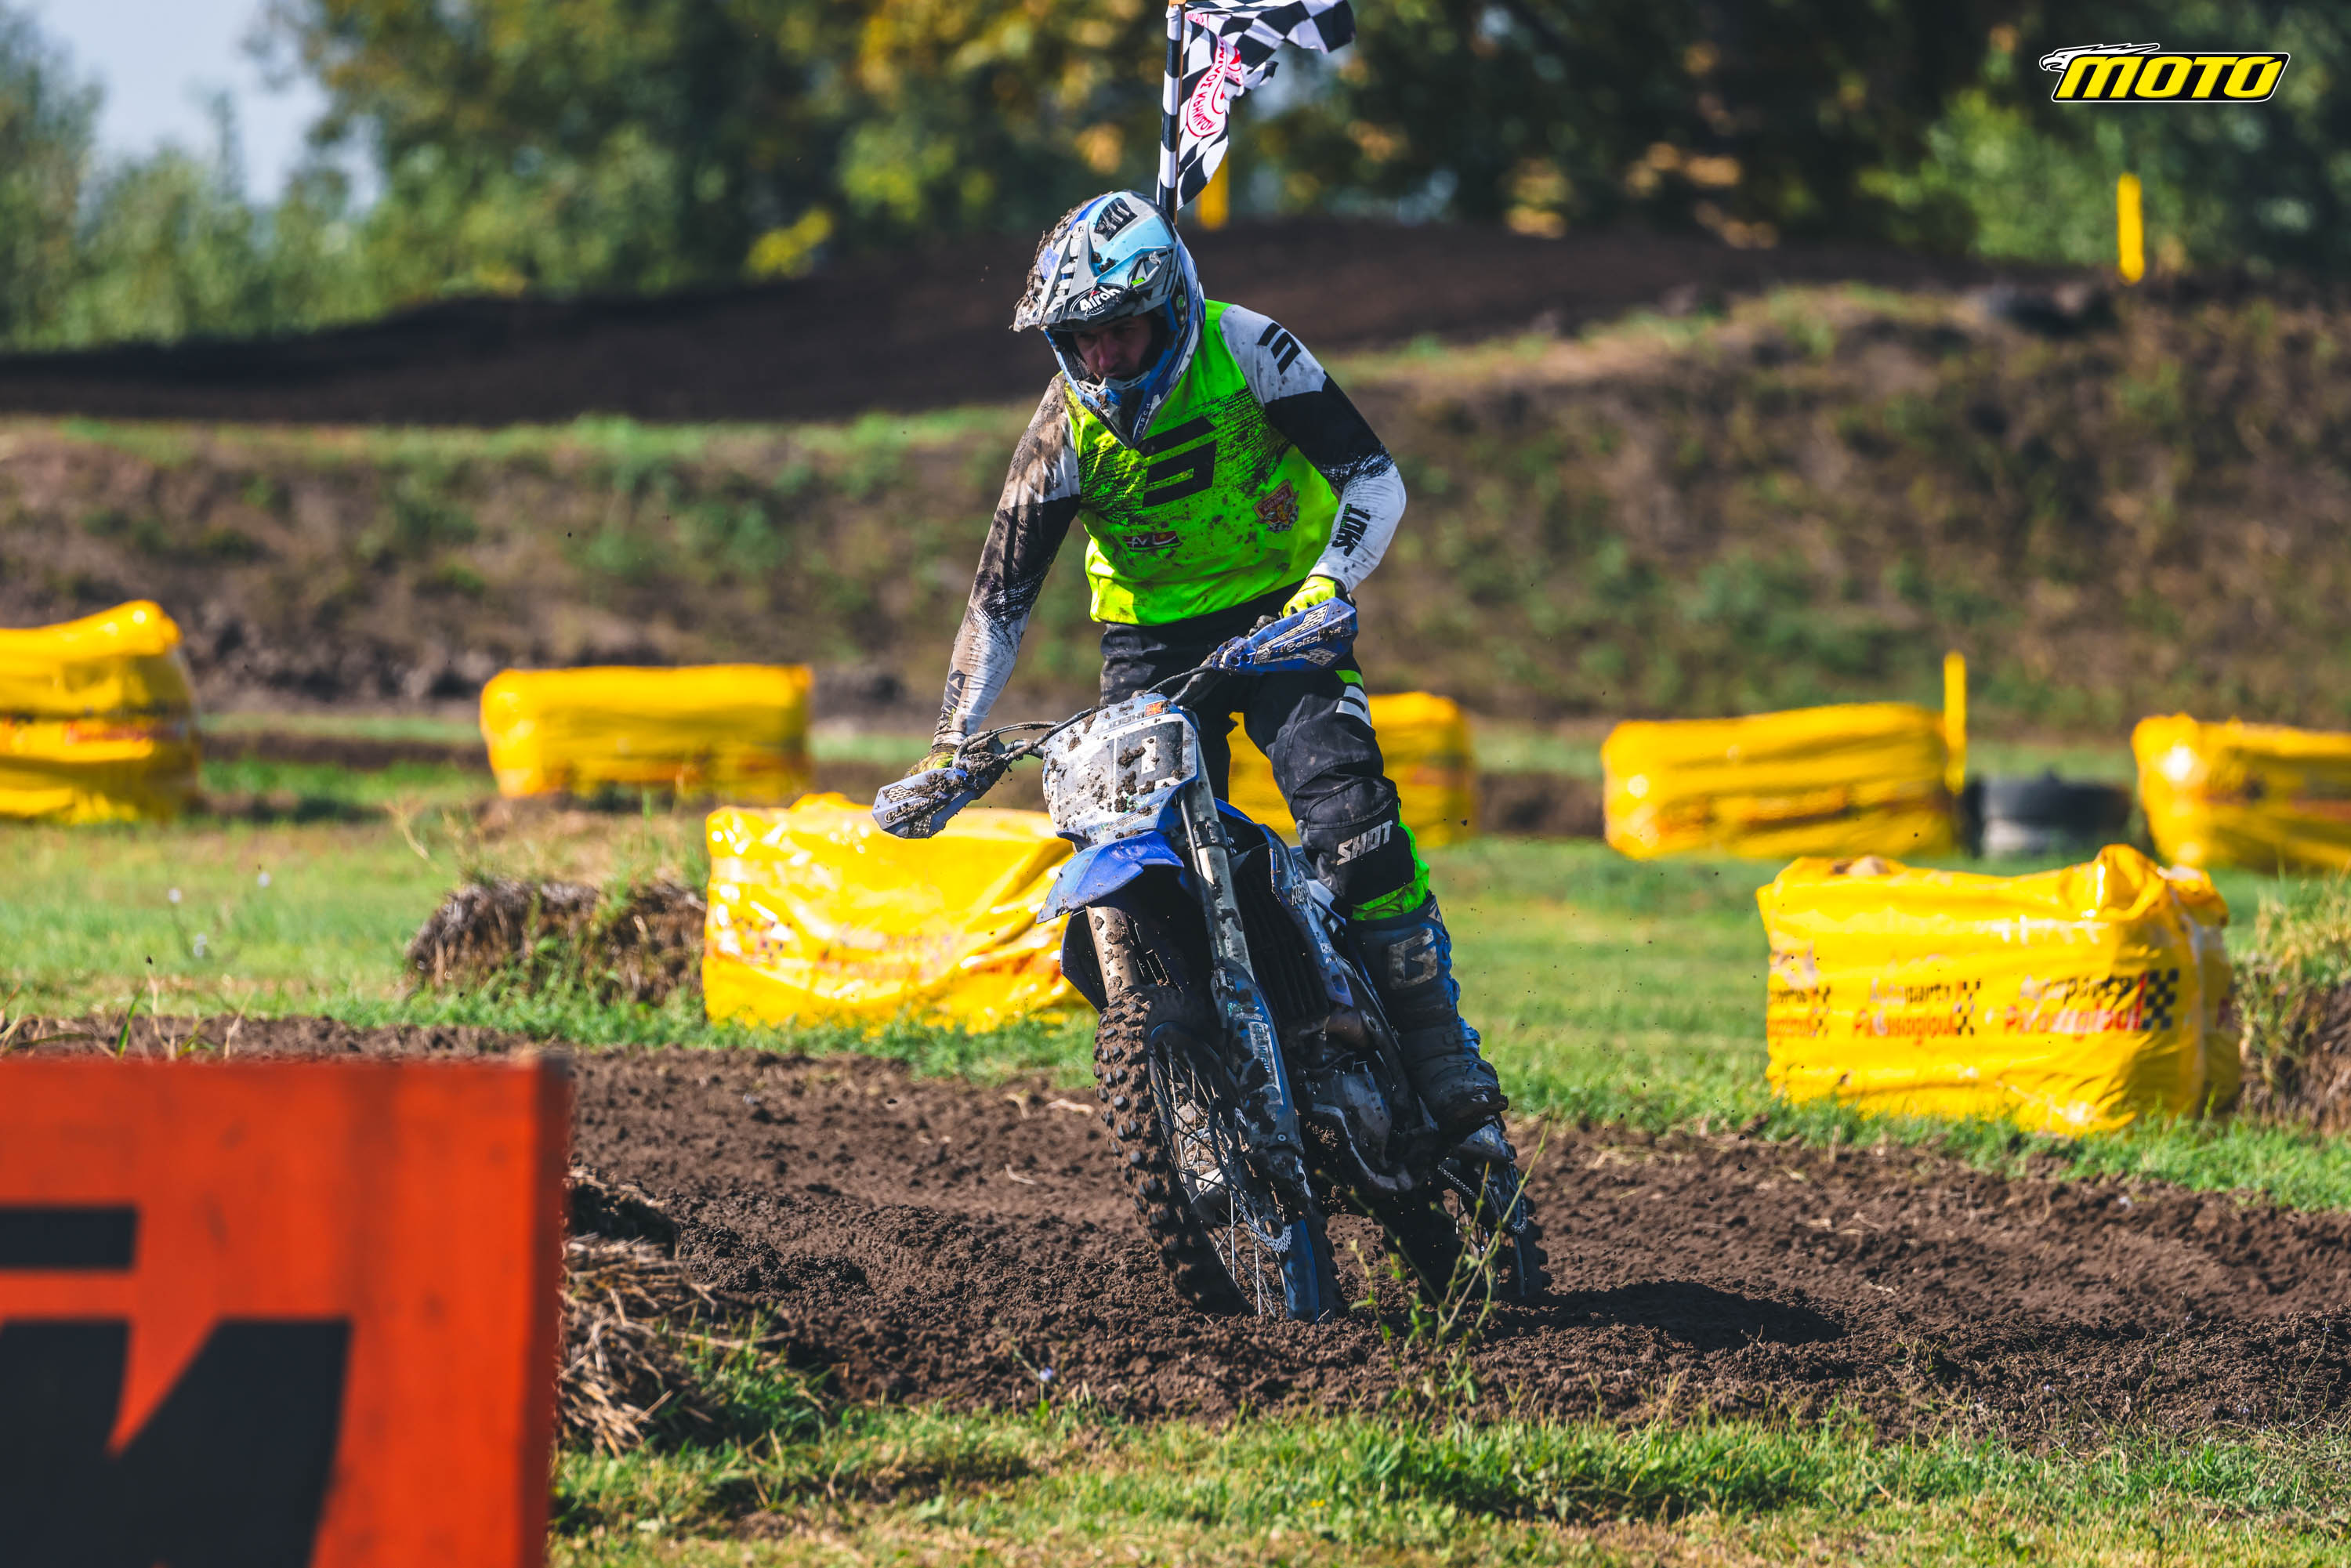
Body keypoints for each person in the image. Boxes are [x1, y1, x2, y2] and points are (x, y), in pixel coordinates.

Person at [888, 188, 1505, 1135]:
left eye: (1120, 331)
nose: (1102, 358)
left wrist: (1330, 584)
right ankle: (1220, 1068)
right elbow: (999, 600)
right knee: (1138, 855)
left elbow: (1372, 480)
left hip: (1284, 612)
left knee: (1351, 818)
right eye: (1081, 338)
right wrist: (951, 741)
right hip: (1149, 643)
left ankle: (1437, 1045)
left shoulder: (1248, 348)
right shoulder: (1060, 433)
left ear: (1172, 307)